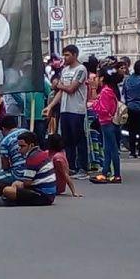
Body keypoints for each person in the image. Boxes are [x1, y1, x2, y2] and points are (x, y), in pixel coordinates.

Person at [44, 44, 89, 179]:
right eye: (64, 55)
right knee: (67, 140)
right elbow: (61, 92)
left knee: (79, 138)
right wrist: (51, 106)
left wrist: (58, 85)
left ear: (75, 55)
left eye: (68, 55)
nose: (65, 58)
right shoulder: (65, 70)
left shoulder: (81, 69)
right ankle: (71, 166)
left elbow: (71, 89)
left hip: (77, 109)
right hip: (65, 109)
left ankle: (83, 167)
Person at [0, 132, 57, 207]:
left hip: (43, 195)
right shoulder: (39, 154)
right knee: (11, 186)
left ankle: (10, 201)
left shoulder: (33, 158)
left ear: (31, 145)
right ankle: (11, 200)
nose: (19, 150)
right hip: (46, 193)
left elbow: (27, 182)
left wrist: (17, 184)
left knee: (7, 190)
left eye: (22, 146)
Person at [92, 67, 123, 184]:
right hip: (108, 122)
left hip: (107, 122)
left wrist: (94, 105)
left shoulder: (105, 91)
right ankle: (105, 172)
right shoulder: (110, 90)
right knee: (108, 149)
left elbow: (103, 109)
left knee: (112, 149)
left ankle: (117, 175)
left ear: (103, 78)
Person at [0, 115, 30, 194]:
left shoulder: (5, 141)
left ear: (3, 128)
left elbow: (5, 165)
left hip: (18, 174)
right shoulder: (27, 132)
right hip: (33, 171)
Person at [46, 134, 83, 198]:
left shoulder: (57, 158)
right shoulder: (48, 153)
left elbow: (65, 175)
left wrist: (74, 192)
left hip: (54, 186)